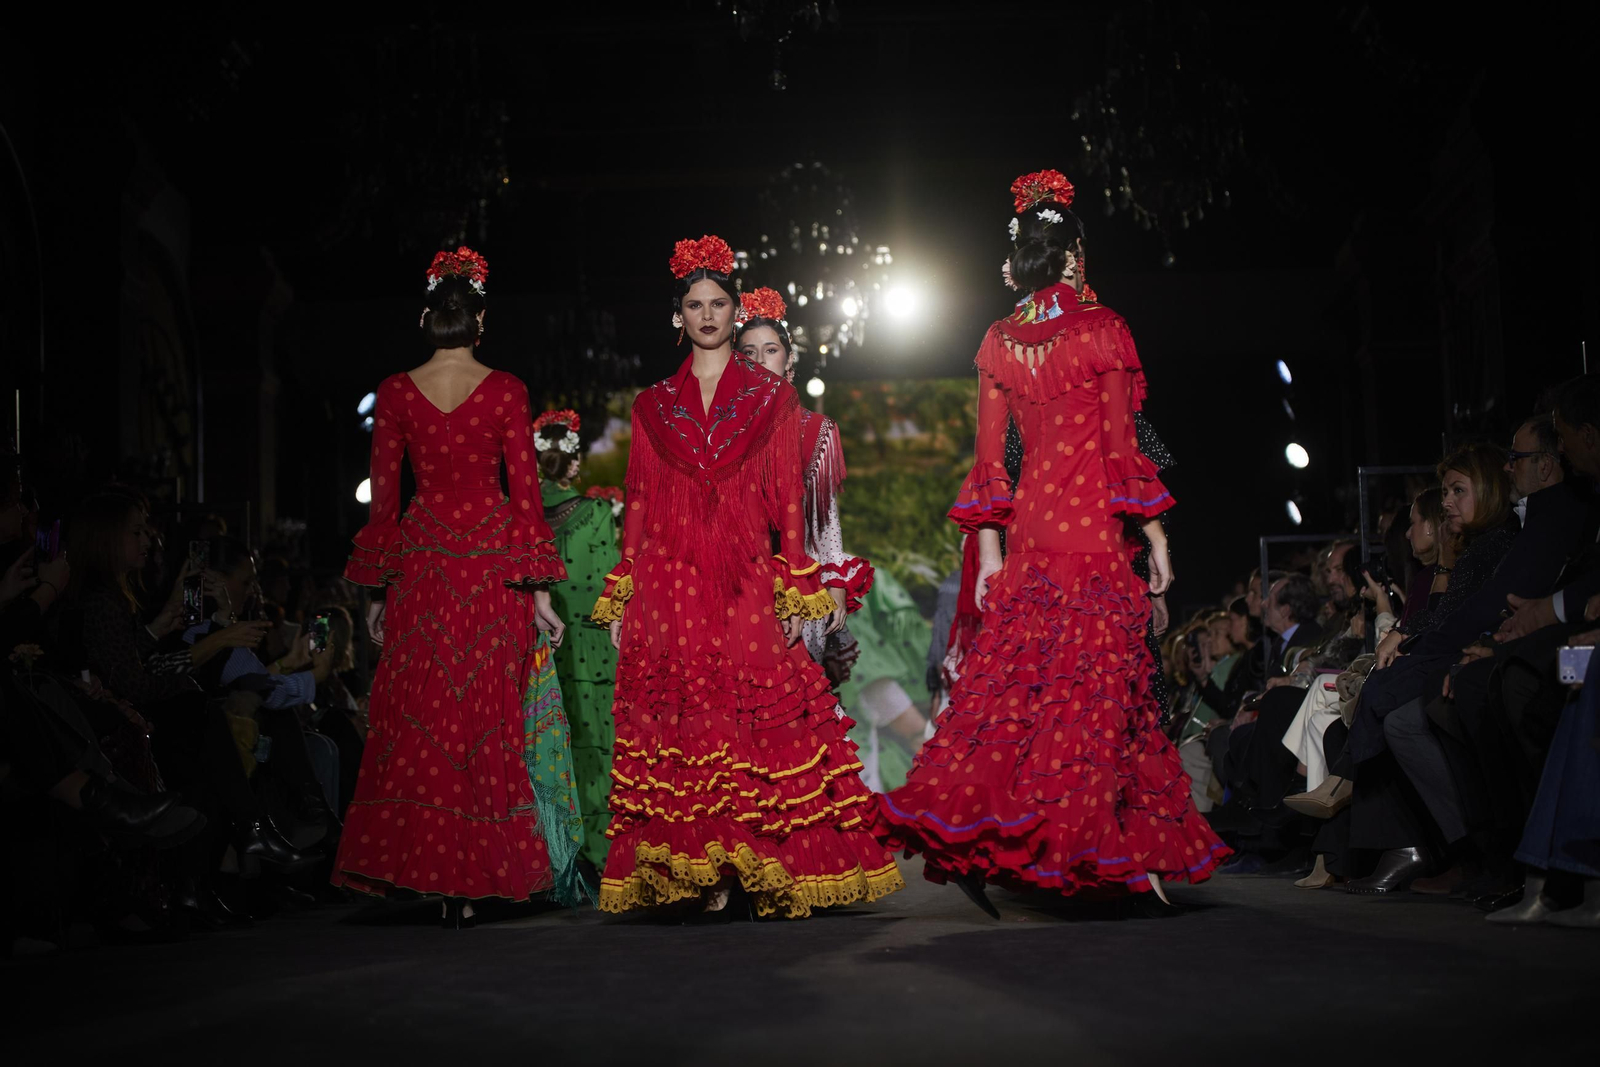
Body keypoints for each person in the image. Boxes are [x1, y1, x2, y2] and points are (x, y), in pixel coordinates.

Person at [875, 170, 1229, 917]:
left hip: (1032, 535)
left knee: (1020, 696)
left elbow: (988, 463)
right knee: (1095, 697)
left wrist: (991, 558)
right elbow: (1122, 449)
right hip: (1093, 533)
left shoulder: (999, 339)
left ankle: (1014, 840)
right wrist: (1156, 537)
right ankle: (1088, 855)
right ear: (1072, 254)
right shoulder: (1104, 329)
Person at [589, 235, 902, 919]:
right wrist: (624, 589)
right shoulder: (652, 405)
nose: (706, 315)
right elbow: (638, 501)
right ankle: (704, 868)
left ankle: (749, 862)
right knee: (687, 719)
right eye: (694, 305)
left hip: (746, 577)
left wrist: (796, 587)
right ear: (679, 316)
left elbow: (788, 501)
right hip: (670, 578)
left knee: (751, 715)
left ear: (735, 311)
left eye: (717, 304)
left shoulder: (771, 398)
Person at [333, 247, 573, 927]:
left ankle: (435, 876)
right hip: (492, 564)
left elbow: (384, 504)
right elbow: (526, 497)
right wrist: (540, 592)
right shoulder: (507, 390)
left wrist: (377, 593)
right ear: (481, 321)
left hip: (425, 562)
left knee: (427, 714)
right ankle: (475, 882)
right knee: (486, 718)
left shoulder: (397, 391)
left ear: (427, 316)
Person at [735, 287, 897, 782]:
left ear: (789, 361)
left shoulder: (813, 430)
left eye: (770, 350)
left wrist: (834, 585)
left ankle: (809, 815)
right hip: (734, 585)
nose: (760, 361)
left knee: (798, 710)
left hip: (798, 583)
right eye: (748, 352)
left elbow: (824, 520)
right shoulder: (717, 432)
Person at [533, 407, 621, 875]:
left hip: (539, 646)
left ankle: (551, 852)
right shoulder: (597, 512)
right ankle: (599, 853)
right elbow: (607, 583)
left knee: (546, 742)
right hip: (593, 648)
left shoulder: (521, 517)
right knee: (596, 746)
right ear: (572, 463)